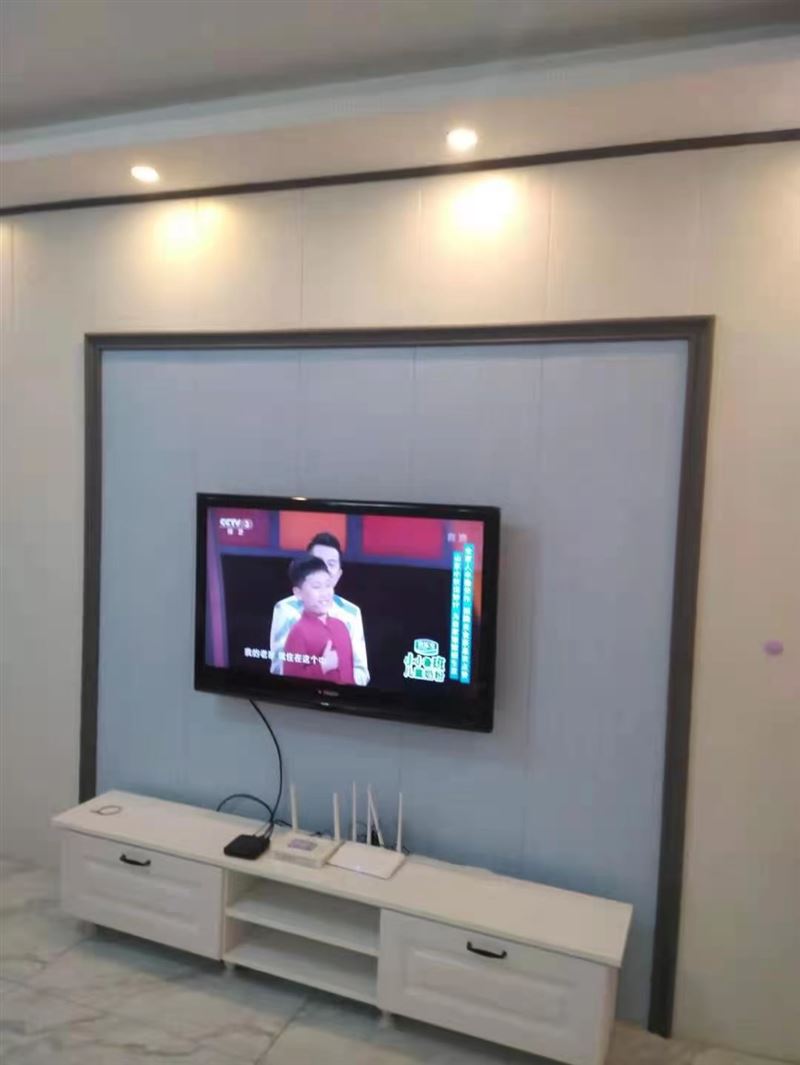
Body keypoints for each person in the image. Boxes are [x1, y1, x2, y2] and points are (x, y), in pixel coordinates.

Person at [270, 531, 369, 685]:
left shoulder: (351, 614)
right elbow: (279, 668)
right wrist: (322, 668)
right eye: (317, 563)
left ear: (338, 574)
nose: (323, 570)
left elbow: (361, 671)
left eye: (331, 564)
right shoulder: (285, 609)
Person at [281, 555, 354, 685]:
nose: (325, 593)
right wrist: (323, 666)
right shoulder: (298, 632)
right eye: (316, 586)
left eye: (328, 585)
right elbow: (290, 681)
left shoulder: (341, 626)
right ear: (298, 593)